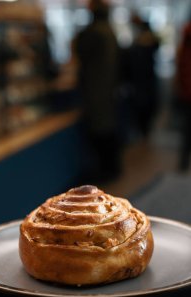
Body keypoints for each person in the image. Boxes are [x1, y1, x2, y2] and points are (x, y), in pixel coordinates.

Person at [73, 0, 122, 183]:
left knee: (101, 132)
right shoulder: (109, 30)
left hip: (96, 90)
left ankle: (106, 171)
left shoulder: (94, 32)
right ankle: (111, 168)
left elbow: (79, 50)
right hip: (107, 89)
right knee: (107, 130)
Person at [127, 15, 160, 138]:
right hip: (142, 83)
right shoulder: (138, 44)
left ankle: (145, 131)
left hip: (144, 83)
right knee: (143, 108)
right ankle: (144, 131)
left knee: (146, 107)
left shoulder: (144, 42)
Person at [175, 18, 191, 170]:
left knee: (187, 131)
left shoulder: (184, 44)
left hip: (186, 94)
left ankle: (183, 162)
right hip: (187, 93)